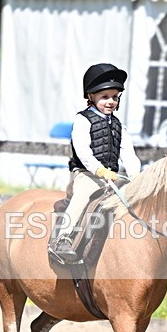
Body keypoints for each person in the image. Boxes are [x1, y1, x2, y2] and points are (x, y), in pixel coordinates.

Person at [49, 63, 142, 262]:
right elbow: (83, 151)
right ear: (91, 96)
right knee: (83, 195)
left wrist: (136, 178)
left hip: (112, 177)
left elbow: (129, 155)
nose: (111, 102)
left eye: (115, 97)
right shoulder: (83, 120)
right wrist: (99, 170)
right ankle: (63, 238)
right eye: (105, 97)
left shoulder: (119, 126)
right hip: (87, 174)